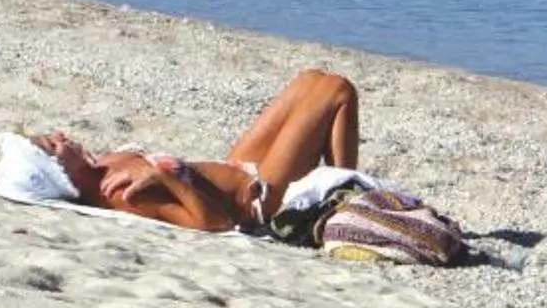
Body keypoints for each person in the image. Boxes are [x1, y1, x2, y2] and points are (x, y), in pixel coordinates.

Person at [35, 68, 361, 233]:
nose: (60, 136)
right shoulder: (121, 194)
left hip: (239, 167)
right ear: (60, 172)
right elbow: (215, 223)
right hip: (259, 197)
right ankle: (344, 202)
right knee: (337, 90)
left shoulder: (101, 166)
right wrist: (165, 177)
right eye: (54, 145)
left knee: (310, 79)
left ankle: (341, 192)